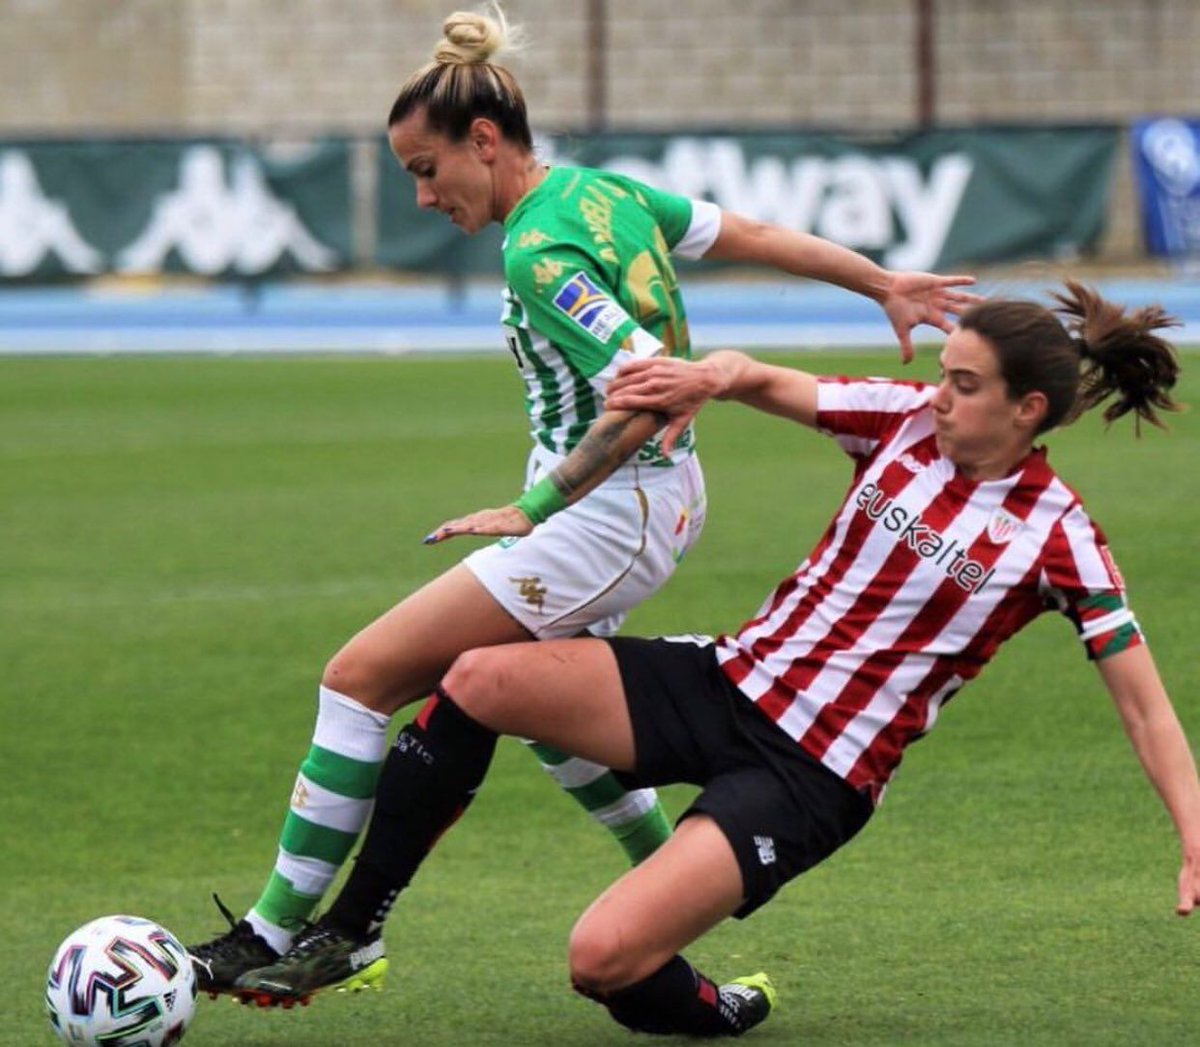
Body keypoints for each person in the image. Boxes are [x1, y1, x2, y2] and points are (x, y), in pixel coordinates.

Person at [188, 2, 979, 998]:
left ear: (485, 141)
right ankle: (660, 898)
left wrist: (538, 506)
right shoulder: (601, 193)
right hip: (648, 503)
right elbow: (754, 232)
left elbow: (653, 387)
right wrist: (877, 281)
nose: (424, 198)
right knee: (550, 718)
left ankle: (276, 931)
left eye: (426, 170)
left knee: (359, 679)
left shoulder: (538, 250)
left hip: (609, 512)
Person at [237, 281, 1200, 1039]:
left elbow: (1147, 712)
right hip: (727, 679)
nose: (940, 395)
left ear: (1028, 408)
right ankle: (353, 928)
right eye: (942, 374)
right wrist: (712, 375)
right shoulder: (901, 422)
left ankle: (718, 1007)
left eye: (964, 383)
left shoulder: (1063, 539)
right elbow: (762, 378)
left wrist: (1196, 840)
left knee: (601, 959)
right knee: (480, 675)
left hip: (810, 774)